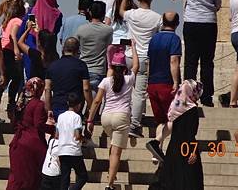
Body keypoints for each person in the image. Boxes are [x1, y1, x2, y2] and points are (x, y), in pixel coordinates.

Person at [171, 0, 222, 107]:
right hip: (208, 23)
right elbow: (218, 5)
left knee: (190, 61)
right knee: (207, 61)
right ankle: (206, 96)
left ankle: (188, 95)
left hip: (191, 22)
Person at [88, 47, 139, 190]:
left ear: (111, 67)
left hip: (106, 118)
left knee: (113, 145)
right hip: (121, 117)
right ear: (124, 69)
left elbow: (97, 101)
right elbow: (136, 65)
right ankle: (109, 184)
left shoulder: (105, 81)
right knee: (116, 152)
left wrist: (90, 120)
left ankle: (111, 173)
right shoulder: (129, 79)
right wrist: (133, 47)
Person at [119, 0, 162, 137]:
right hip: (144, 58)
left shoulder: (131, 14)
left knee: (127, 90)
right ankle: (135, 125)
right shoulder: (157, 18)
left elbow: (121, 11)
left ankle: (126, 119)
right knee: (139, 93)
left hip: (129, 56)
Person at [145, 12, 182, 161]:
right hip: (166, 83)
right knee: (176, 118)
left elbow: (148, 61)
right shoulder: (174, 39)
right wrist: (176, 82)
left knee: (161, 120)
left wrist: (148, 81)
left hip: (152, 83)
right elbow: (174, 61)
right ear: (177, 23)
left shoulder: (154, 39)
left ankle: (156, 152)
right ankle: (156, 142)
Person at [7, 77, 54, 190]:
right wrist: (53, 129)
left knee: (17, 176)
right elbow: (38, 124)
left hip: (18, 142)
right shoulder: (38, 104)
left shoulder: (22, 103)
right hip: (32, 145)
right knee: (31, 177)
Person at [157, 79, 204, 190]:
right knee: (188, 181)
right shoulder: (191, 109)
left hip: (173, 148)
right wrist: (193, 151)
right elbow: (191, 133)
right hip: (186, 148)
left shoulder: (176, 108)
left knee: (171, 179)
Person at [45, 37, 92, 120]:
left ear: (63, 48)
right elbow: (86, 88)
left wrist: (48, 109)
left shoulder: (53, 65)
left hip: (57, 104)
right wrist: (90, 106)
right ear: (77, 50)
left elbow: (47, 89)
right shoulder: (81, 65)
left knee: (58, 130)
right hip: (75, 105)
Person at [22, 0, 63, 79]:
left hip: (32, 48)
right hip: (50, 50)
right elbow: (56, 31)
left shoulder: (32, 12)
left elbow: (20, 35)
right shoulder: (58, 15)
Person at [75, 0, 112, 95]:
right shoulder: (108, 30)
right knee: (95, 104)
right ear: (103, 14)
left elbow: (75, 46)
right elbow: (109, 46)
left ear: (90, 12)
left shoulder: (81, 29)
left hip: (82, 69)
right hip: (99, 70)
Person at [57, 93, 87, 190]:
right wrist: (84, 139)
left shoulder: (60, 116)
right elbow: (77, 135)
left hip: (62, 150)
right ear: (79, 105)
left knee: (64, 178)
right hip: (73, 151)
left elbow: (56, 135)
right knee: (83, 176)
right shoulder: (77, 117)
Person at [1, 1, 24, 112]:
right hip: (9, 51)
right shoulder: (18, 21)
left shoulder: (7, 21)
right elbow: (13, 35)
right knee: (16, 77)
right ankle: (11, 101)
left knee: (7, 77)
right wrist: (16, 49)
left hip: (3, 50)